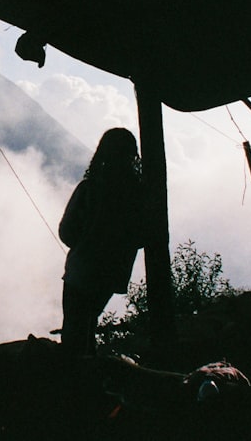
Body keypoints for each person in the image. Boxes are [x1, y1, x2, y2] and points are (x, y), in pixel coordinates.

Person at [58, 128, 148, 356]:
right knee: (88, 326)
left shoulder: (90, 188)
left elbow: (66, 232)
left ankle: (76, 384)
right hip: (111, 274)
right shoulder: (138, 193)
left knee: (75, 333)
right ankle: (89, 380)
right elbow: (141, 237)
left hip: (81, 271)